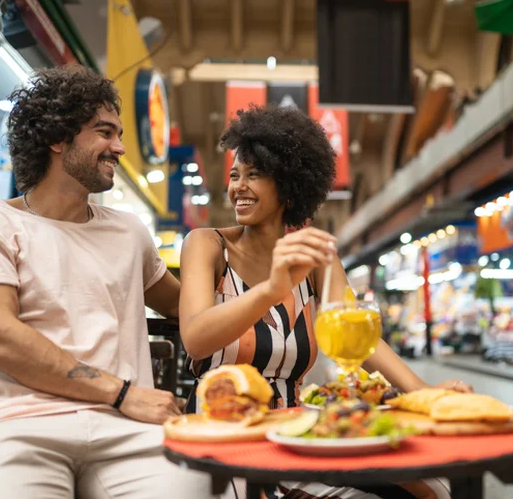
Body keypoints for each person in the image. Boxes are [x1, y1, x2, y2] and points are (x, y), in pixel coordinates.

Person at [0, 66, 231, 498]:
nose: (121, 147)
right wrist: (122, 393)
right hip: (9, 423)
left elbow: (189, 309)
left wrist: (263, 275)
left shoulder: (128, 232)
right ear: (58, 137)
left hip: (128, 431)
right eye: (104, 132)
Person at [179, 105, 472, 499]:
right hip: (225, 431)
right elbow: (196, 339)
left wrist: (424, 394)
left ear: (289, 185)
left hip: (300, 428)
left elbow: (358, 338)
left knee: (435, 485)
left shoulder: (316, 258)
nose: (238, 187)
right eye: (235, 175)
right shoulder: (208, 244)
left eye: (254, 174)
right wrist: (270, 289)